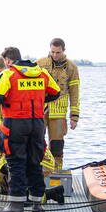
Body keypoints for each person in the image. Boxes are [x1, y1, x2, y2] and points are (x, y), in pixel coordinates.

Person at [0, 46, 61, 212]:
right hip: (37, 123)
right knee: (35, 162)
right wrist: (38, 98)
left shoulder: (8, 74)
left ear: (7, 60)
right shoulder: (42, 73)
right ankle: (37, 204)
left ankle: (16, 205)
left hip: (15, 123)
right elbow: (56, 93)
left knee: (16, 163)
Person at [0, 126, 65, 204]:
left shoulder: (8, 146)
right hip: (35, 161)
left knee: (24, 198)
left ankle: (49, 195)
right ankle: (55, 193)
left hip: (44, 163)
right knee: (11, 177)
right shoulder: (4, 141)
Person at [36, 38, 80, 170]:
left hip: (59, 113)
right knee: (37, 143)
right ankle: (38, 171)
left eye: (58, 52)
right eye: (53, 52)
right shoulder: (39, 63)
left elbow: (75, 93)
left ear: (64, 50)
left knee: (57, 146)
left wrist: (74, 117)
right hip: (40, 110)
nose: (55, 55)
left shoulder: (71, 67)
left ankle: (57, 171)